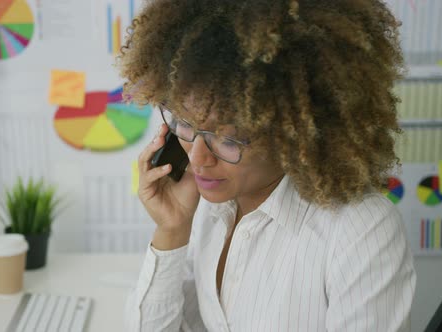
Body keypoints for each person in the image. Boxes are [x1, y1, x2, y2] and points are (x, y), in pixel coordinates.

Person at [119, 0, 416, 331]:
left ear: (294, 132)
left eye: (229, 139)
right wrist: (172, 230)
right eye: (185, 125)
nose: (198, 158)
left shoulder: (360, 231)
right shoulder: (209, 205)